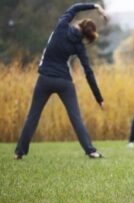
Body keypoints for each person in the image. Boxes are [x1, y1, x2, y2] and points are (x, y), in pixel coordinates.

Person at [14, 3, 108, 160]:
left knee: (33, 116)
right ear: (86, 35)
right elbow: (88, 73)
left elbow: (75, 8)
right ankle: (91, 151)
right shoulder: (79, 46)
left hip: (44, 79)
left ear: (79, 23)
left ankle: (19, 153)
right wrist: (99, 99)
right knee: (75, 117)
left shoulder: (62, 25)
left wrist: (95, 6)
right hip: (64, 82)